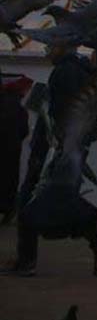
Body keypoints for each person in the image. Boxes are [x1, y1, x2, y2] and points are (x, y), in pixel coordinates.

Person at [2, 41, 97, 278]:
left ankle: (26, 261)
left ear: (62, 48)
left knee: (30, 205)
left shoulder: (66, 72)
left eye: (50, 47)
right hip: (66, 149)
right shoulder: (79, 72)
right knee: (59, 202)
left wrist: (54, 149)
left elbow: (63, 115)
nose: (47, 52)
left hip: (57, 151)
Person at [0, 71, 32, 224]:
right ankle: (8, 209)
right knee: (10, 179)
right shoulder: (20, 109)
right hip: (12, 149)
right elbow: (24, 130)